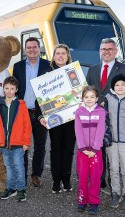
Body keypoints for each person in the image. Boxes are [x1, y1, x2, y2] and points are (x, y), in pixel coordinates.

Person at [86, 38, 125, 188]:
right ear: (100, 52)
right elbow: (87, 90)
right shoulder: (92, 69)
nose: (106, 52)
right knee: (98, 148)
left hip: (115, 116)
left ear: (115, 51)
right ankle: (100, 179)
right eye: (103, 49)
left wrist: (106, 100)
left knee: (112, 148)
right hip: (95, 114)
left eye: (109, 49)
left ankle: (114, 180)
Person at [13, 37, 52, 187]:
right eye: (29, 47)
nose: (32, 50)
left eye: (34, 47)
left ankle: (36, 174)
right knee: (23, 145)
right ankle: (22, 175)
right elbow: (14, 89)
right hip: (23, 112)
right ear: (25, 50)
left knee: (41, 146)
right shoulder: (18, 66)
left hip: (42, 112)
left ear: (39, 48)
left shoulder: (48, 65)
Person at [37, 44, 76, 193]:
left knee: (68, 149)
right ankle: (56, 180)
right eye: (57, 54)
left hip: (71, 118)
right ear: (53, 57)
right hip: (55, 118)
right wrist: (41, 116)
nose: (60, 56)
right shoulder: (46, 74)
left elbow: (81, 94)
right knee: (56, 149)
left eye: (63, 54)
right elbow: (39, 98)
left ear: (67, 57)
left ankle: (66, 180)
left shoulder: (73, 73)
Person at [0, 76, 32, 202]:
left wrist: (26, 142)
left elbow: (27, 124)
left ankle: (21, 189)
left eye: (12, 88)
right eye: (7, 88)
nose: (9, 91)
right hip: (4, 145)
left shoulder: (21, 104)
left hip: (18, 144)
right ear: (3, 88)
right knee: (8, 167)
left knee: (19, 167)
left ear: (16, 90)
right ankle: (10, 188)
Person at [104, 74, 125, 210]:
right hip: (111, 141)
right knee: (113, 168)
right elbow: (105, 120)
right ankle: (115, 193)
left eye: (123, 85)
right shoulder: (108, 98)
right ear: (113, 87)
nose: (120, 87)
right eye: (117, 85)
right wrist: (106, 138)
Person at [74, 86, 107, 215]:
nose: (89, 99)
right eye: (86, 97)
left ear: (97, 98)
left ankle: (94, 203)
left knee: (94, 178)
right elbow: (78, 130)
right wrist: (82, 148)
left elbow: (100, 131)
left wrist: (95, 149)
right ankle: (82, 200)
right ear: (82, 98)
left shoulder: (101, 112)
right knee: (82, 177)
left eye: (92, 97)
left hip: (95, 152)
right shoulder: (79, 112)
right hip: (82, 151)